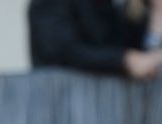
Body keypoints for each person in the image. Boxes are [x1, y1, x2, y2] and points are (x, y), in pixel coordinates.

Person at [29, 0, 162, 79]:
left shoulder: (109, 5)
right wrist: (125, 59)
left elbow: (139, 56)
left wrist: (158, 11)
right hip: (59, 105)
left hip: (106, 107)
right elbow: (60, 51)